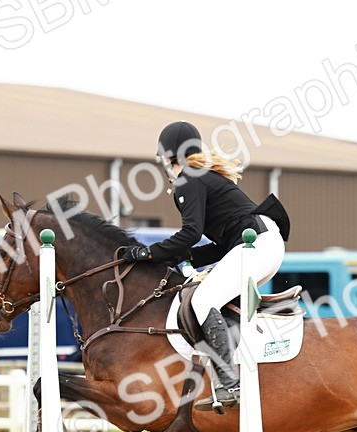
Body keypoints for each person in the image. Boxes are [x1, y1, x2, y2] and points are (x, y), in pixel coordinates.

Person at [119, 120, 290, 409]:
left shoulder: (189, 179)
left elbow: (190, 233)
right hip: (261, 244)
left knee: (202, 301)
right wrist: (185, 257)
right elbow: (219, 246)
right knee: (214, 299)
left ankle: (230, 384)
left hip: (257, 246)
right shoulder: (201, 176)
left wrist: (148, 253)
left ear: (169, 156)